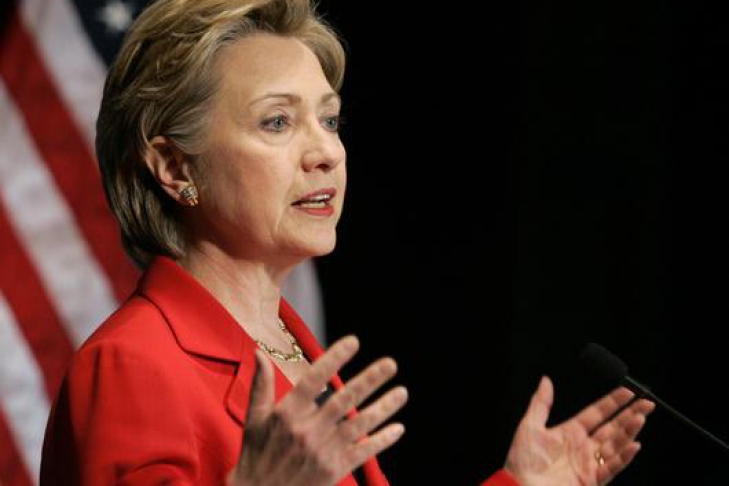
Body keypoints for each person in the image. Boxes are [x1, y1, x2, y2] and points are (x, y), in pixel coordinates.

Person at [39, 0, 655, 484]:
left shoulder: (297, 352)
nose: (326, 153)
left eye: (329, 119)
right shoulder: (131, 365)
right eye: (277, 121)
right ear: (175, 168)